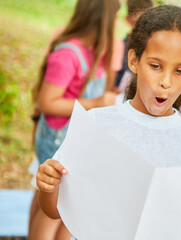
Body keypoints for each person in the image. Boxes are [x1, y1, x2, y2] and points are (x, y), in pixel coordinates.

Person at [35, 5, 181, 238]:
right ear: (134, 60)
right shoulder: (96, 124)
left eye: (179, 71)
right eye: (156, 66)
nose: (166, 82)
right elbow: (55, 210)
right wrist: (48, 186)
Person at [27, 0, 120, 239]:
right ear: (103, 19)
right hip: (57, 140)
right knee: (50, 209)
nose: (117, 24)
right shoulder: (68, 53)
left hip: (74, 140)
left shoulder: (96, 53)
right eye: (115, 17)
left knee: (66, 209)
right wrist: (96, 103)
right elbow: (47, 101)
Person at [114, 0, 153, 93]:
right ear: (127, 19)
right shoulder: (120, 47)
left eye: (146, 23)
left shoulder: (154, 48)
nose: (141, 29)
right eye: (136, 23)